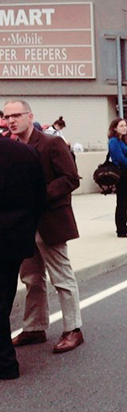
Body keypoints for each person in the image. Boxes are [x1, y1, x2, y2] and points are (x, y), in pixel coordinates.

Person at [5, 100, 86, 354]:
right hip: (22, 224)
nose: (11, 121)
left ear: (30, 116)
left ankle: (73, 329)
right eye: (7, 117)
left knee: (61, 276)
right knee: (30, 277)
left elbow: (71, 178)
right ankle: (34, 328)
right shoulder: (10, 146)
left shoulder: (51, 143)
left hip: (50, 220)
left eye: (16, 115)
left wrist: (38, 196)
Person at [0, 136, 47, 379]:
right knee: (6, 292)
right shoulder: (26, 153)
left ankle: (6, 362)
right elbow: (40, 196)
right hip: (17, 236)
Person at [108, 118, 127, 238]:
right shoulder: (113, 142)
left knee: (124, 202)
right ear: (114, 128)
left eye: (125, 125)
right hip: (123, 173)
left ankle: (125, 226)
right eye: (121, 126)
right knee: (122, 202)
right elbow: (120, 158)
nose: (124, 128)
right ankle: (121, 229)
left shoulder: (121, 141)